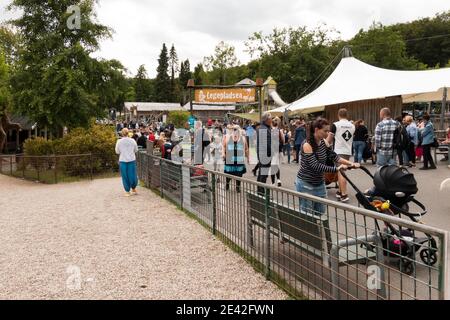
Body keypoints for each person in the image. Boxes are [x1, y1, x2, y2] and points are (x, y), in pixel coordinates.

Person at [296, 118, 358, 215]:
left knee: (320, 214)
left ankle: (318, 230)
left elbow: (334, 157)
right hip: (306, 184)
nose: (327, 133)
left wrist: (350, 163)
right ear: (316, 130)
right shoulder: (307, 144)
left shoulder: (324, 142)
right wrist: (336, 169)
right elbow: (315, 166)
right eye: (325, 131)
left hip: (320, 184)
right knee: (307, 216)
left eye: (328, 131)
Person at [331, 109, 355, 203]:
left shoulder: (335, 125)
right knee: (342, 171)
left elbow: (330, 139)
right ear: (347, 115)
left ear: (338, 115)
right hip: (348, 151)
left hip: (338, 150)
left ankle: (344, 194)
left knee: (341, 172)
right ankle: (340, 191)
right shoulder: (352, 126)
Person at [223, 125, 249, 193]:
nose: (235, 130)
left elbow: (246, 148)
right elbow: (223, 146)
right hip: (229, 158)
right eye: (234, 129)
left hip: (239, 159)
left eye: (236, 129)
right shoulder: (227, 137)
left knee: (239, 174)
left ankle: (238, 187)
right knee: (229, 173)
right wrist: (223, 154)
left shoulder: (243, 138)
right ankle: (227, 184)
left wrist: (248, 157)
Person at [115, 128, 139, 197]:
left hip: (123, 160)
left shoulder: (119, 141)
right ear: (128, 133)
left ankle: (127, 191)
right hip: (131, 159)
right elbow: (136, 150)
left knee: (125, 176)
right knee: (133, 175)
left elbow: (117, 151)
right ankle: (133, 188)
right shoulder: (132, 140)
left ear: (122, 133)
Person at [256, 112, 274, 194]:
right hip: (265, 154)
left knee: (262, 173)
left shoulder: (264, 127)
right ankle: (261, 191)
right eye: (271, 118)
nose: (272, 119)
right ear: (267, 119)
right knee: (263, 174)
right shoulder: (263, 128)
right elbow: (267, 144)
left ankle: (260, 191)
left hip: (263, 153)